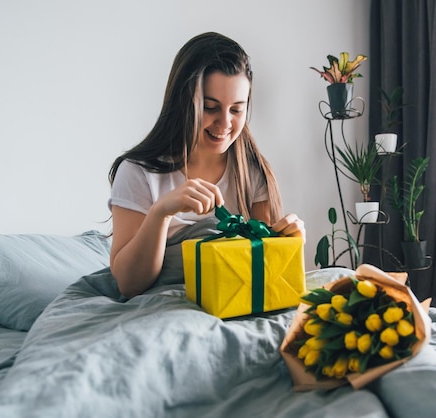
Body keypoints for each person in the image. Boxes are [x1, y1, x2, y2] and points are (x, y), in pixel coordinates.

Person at [107, 32, 305, 299]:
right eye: (210, 107)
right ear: (182, 104)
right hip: (163, 303)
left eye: (236, 110)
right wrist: (161, 213)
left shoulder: (254, 173)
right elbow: (129, 284)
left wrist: (291, 241)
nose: (224, 124)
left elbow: (266, 274)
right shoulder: (138, 172)